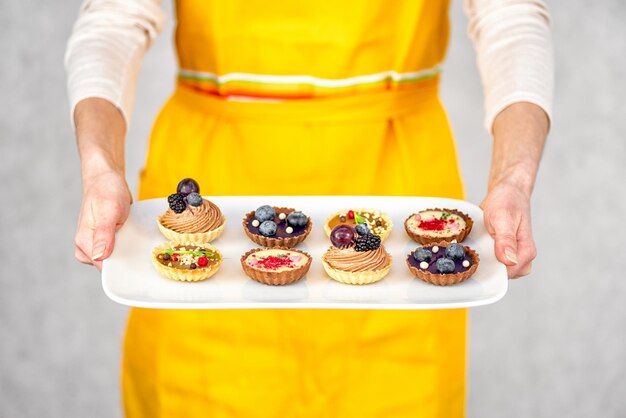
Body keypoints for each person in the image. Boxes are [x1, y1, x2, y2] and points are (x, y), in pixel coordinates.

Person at [66, 0, 553, 416]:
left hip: (395, 175)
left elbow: (509, 18)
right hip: (217, 176)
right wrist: (98, 164)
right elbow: (112, 21)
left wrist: (514, 176)